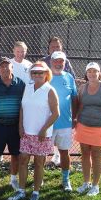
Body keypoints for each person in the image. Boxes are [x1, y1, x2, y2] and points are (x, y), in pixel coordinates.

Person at [8, 61, 59, 200]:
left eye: (40, 72)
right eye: (34, 72)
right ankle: (21, 191)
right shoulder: (27, 88)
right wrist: (20, 126)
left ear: (46, 74)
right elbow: (22, 108)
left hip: (42, 135)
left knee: (38, 163)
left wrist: (43, 129)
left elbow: (56, 113)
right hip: (26, 133)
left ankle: (35, 193)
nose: (37, 75)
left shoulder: (50, 90)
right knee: (23, 160)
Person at [74, 62, 101, 196]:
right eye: (89, 71)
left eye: (94, 71)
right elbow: (80, 106)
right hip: (83, 126)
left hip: (100, 127)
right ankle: (86, 183)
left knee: (96, 156)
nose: (92, 74)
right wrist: (76, 119)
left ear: (99, 73)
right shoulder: (82, 88)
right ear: (86, 74)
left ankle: (95, 185)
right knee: (85, 154)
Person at [0, 57, 26, 193]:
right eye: (2, 67)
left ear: (12, 68)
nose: (5, 69)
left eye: (7, 66)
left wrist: (22, 125)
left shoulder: (21, 84)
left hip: (15, 127)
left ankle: (13, 179)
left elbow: (23, 106)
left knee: (16, 155)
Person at [41, 36, 76, 166]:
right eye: (53, 47)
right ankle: (39, 177)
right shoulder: (43, 66)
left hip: (64, 118)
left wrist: (75, 116)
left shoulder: (66, 66)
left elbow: (73, 90)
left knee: (63, 149)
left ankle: (64, 176)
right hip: (46, 117)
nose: (55, 48)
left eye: (57, 46)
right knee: (42, 150)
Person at [49, 51, 78, 192]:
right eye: (56, 61)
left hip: (65, 123)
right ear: (51, 62)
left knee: (64, 152)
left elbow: (75, 98)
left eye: (61, 61)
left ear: (65, 63)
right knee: (41, 154)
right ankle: (39, 179)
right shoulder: (45, 76)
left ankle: (66, 180)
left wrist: (75, 117)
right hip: (47, 124)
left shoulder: (69, 77)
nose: (59, 64)